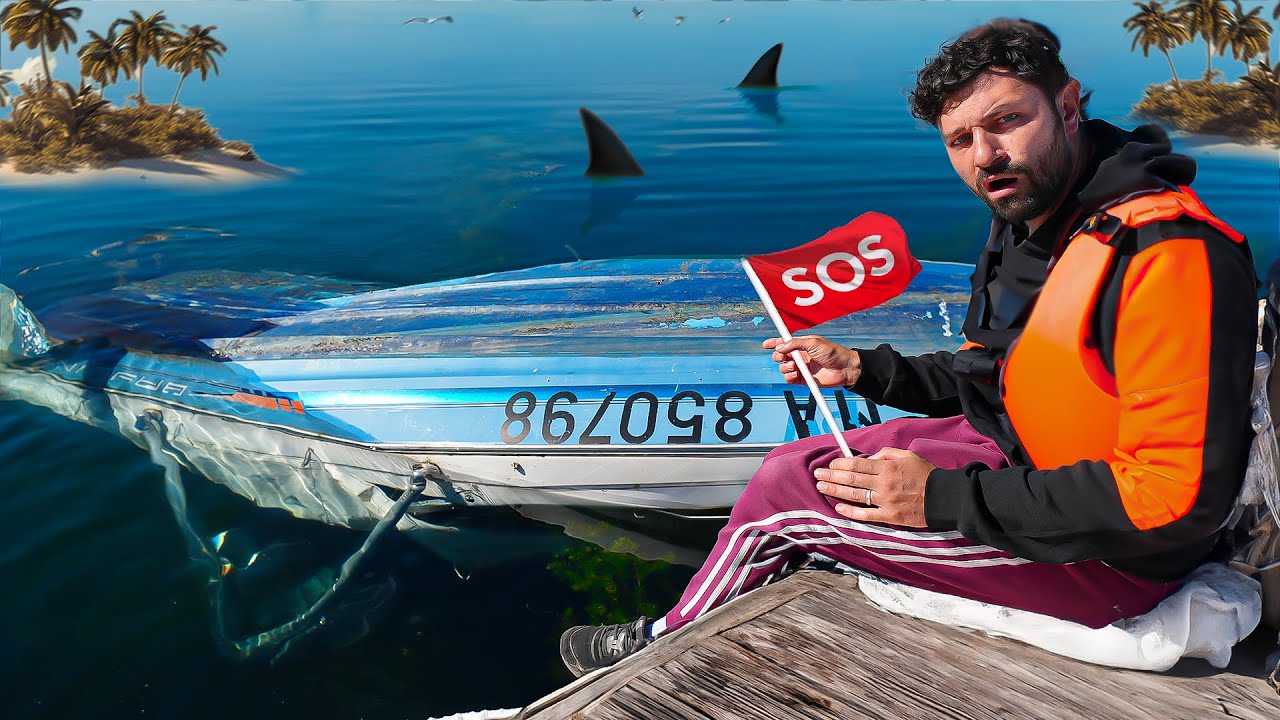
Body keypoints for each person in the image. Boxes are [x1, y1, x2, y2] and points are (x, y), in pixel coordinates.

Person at [559, 21, 1259, 677]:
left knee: (784, 496)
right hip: (1026, 465)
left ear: (1069, 106)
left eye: (1007, 121)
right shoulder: (1036, 218)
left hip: (1109, 559)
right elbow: (996, 377)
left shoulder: (1163, 255)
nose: (986, 156)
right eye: (960, 139)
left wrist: (941, 499)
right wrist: (867, 369)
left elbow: (1174, 498)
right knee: (810, 459)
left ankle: (661, 644)